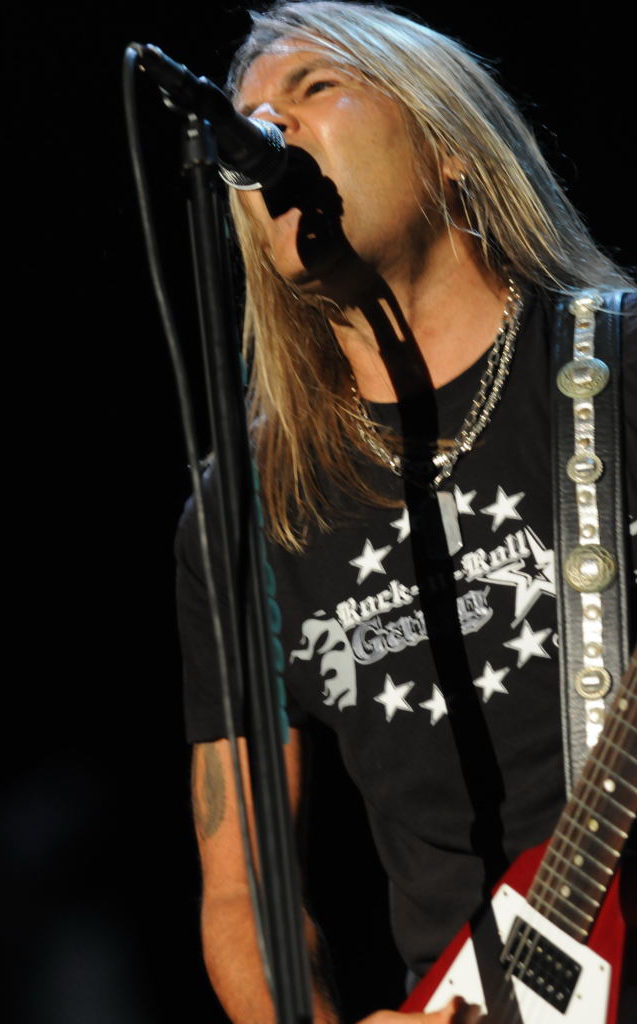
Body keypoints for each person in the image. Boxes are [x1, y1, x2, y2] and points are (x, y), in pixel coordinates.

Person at [175, 2, 636, 1021]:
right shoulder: (249, 506)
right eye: (248, 117)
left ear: (449, 143)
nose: (267, 127)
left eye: (313, 88)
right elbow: (243, 892)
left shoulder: (619, 371)